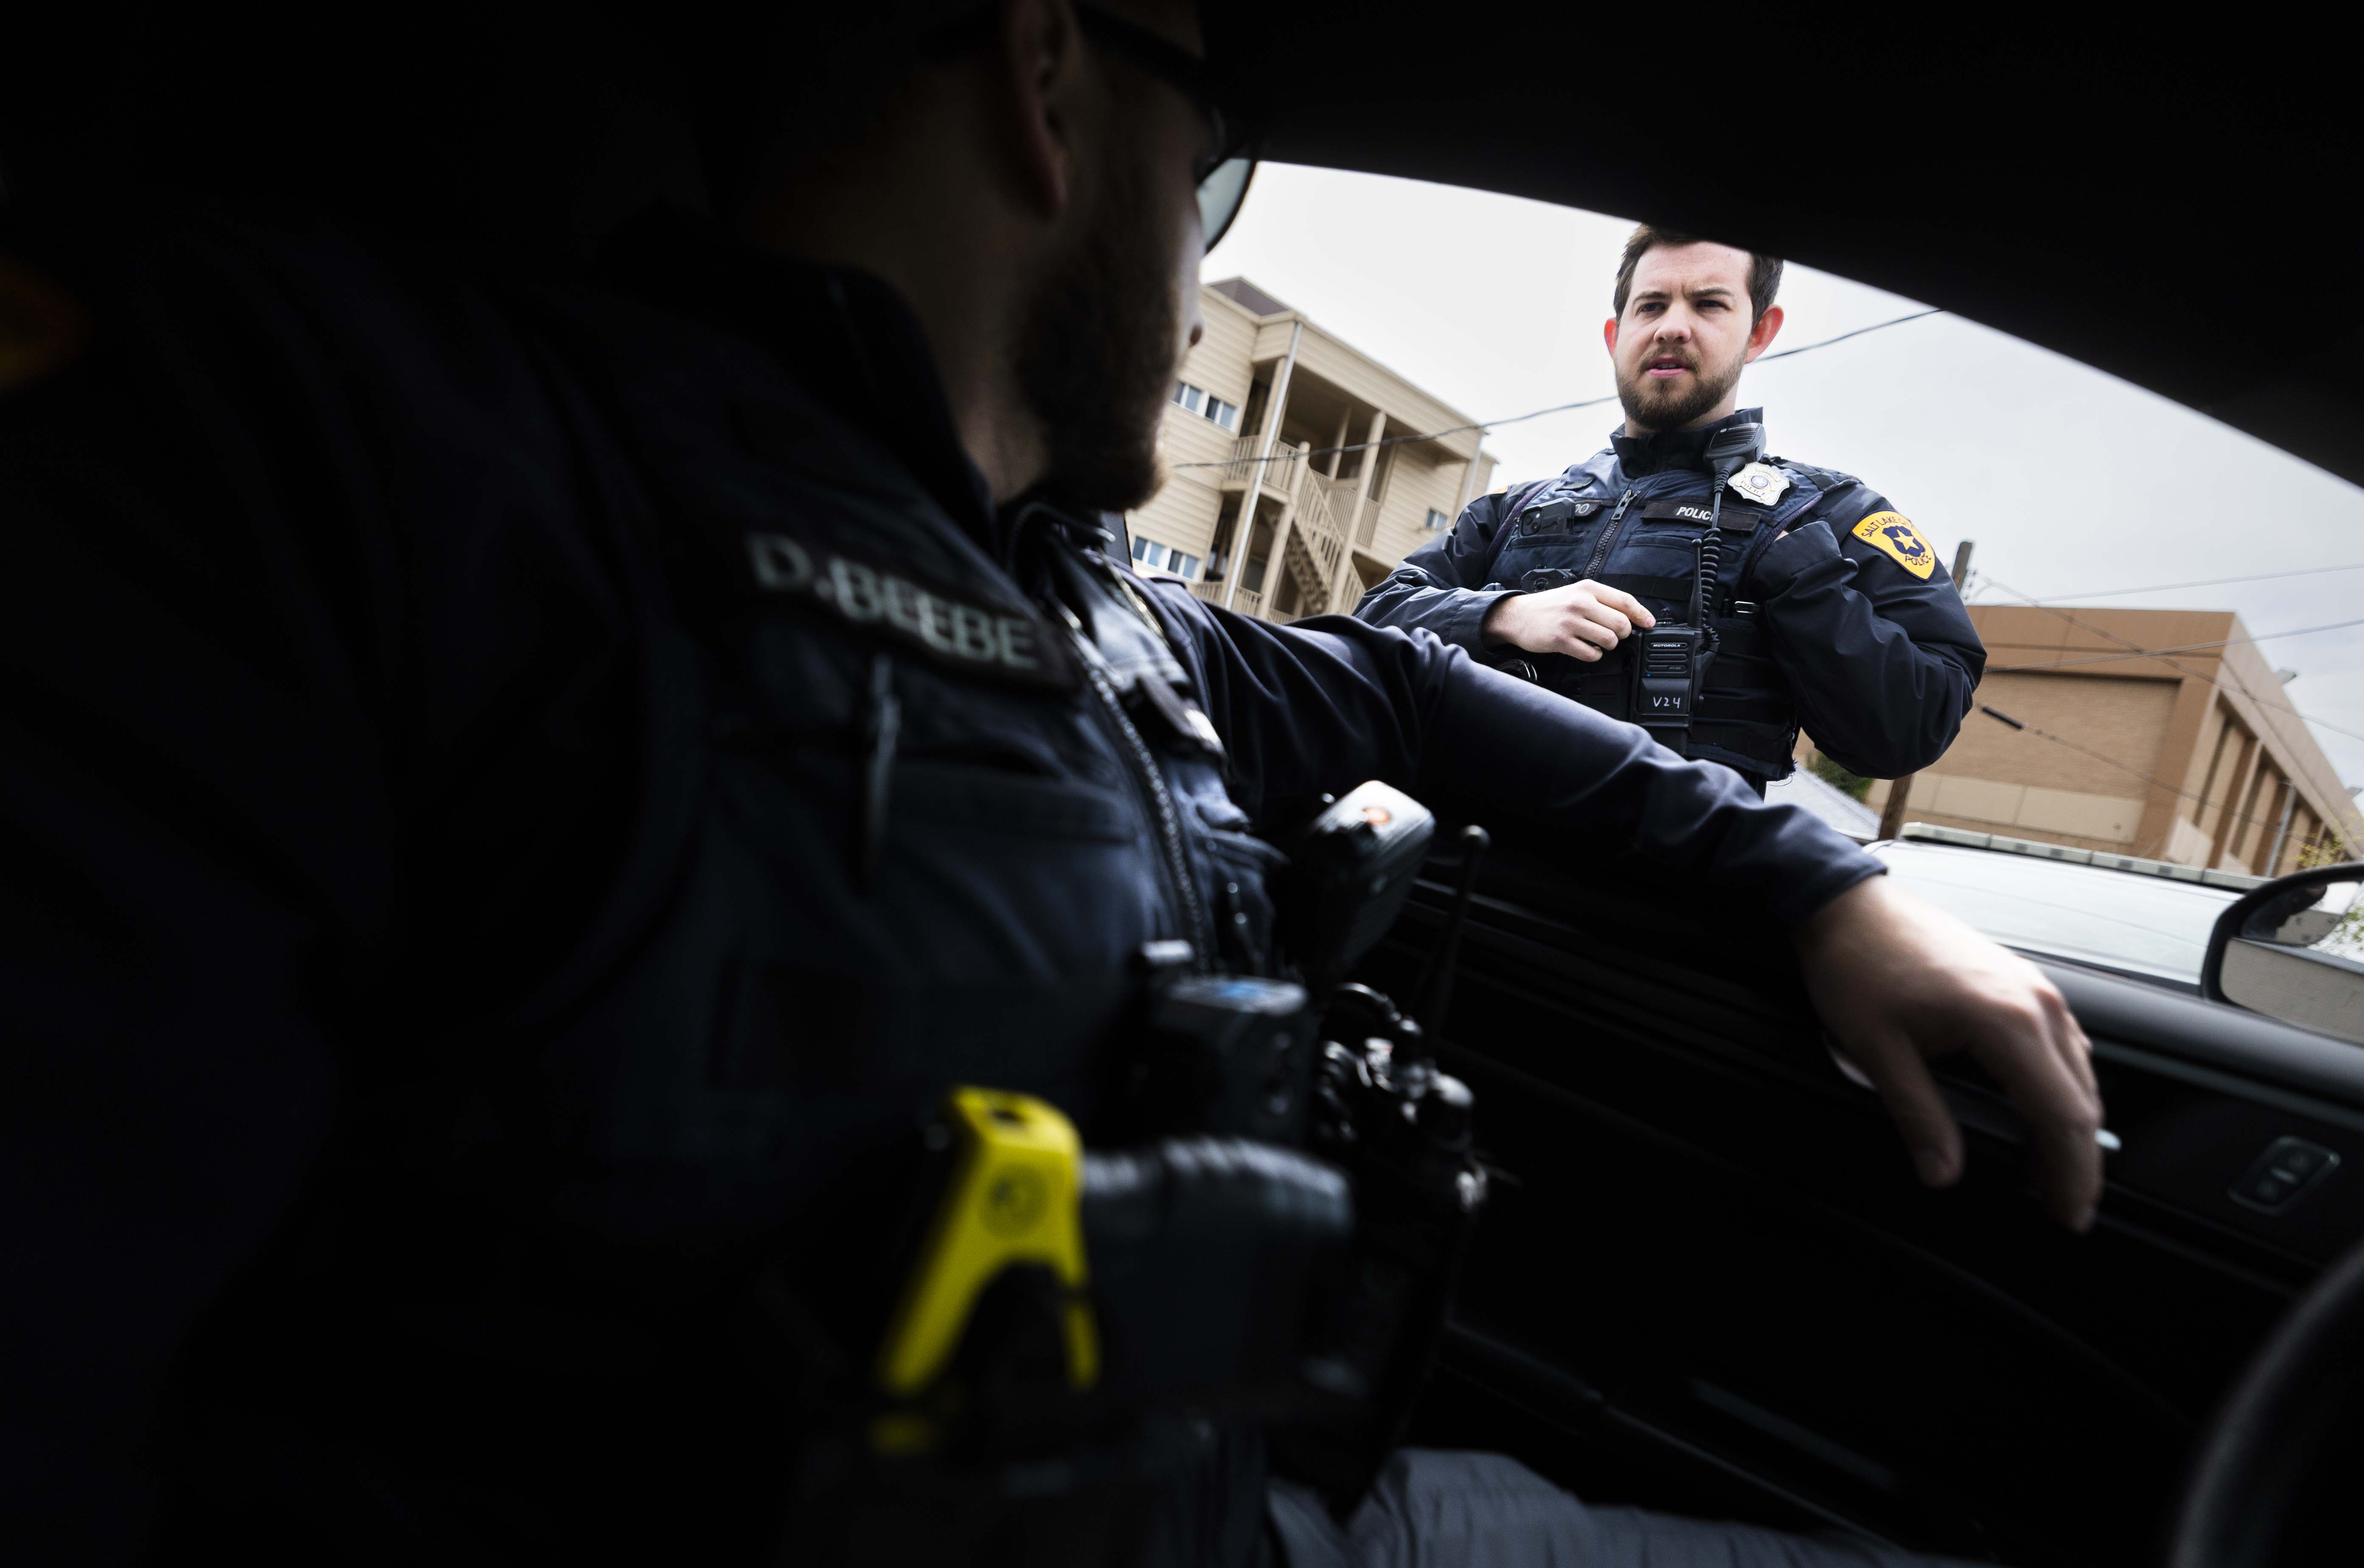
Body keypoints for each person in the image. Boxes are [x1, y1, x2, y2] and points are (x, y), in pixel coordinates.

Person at [0, 0, 2099, 1562]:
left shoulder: (1096, 601)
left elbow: (1401, 691)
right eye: (1215, 154)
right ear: (1049, 80)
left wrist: (1821, 887)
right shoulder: (378, 465)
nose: (1197, 254)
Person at [1355, 227, 1983, 793]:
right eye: (1651, 306)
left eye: (1709, 304)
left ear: (1760, 331)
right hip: (1466, 871)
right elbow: (1370, 622)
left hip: (1666, 898)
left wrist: (1806, 581)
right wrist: (1504, 615)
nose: (1673, 327)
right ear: (1616, 334)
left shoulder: (1830, 515)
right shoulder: (1517, 509)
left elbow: (1916, 725)